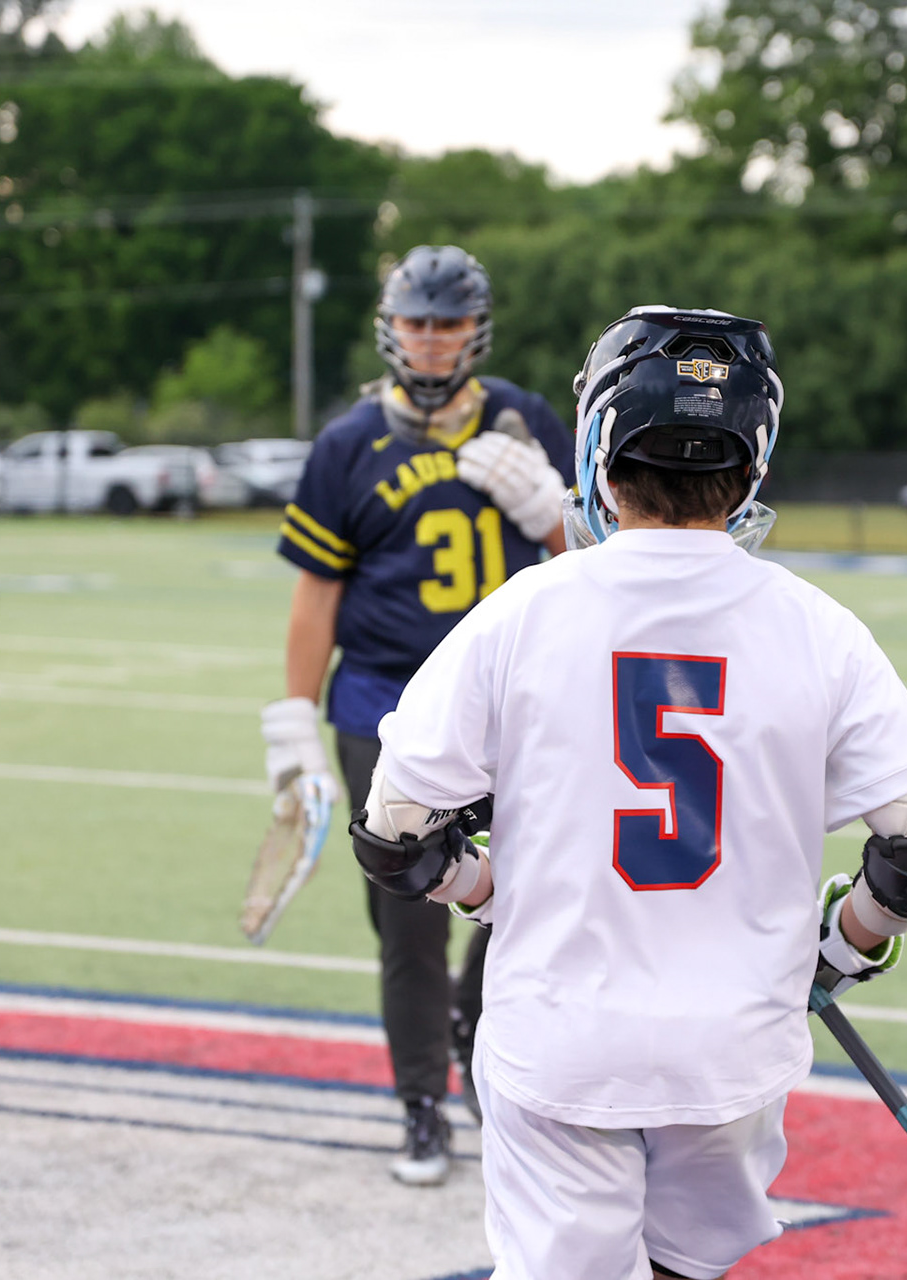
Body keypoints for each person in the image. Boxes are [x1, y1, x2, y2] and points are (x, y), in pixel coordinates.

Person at [350, 306, 907, 1278]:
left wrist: (484, 888)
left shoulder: (522, 613)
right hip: (733, 1048)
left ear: (599, 441)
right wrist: (846, 942)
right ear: (754, 453)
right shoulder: (820, 627)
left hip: (561, 1039)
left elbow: (395, 833)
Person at [262, 245, 574, 1185]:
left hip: (511, 703)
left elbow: (596, 567)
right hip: (384, 700)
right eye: (417, 322)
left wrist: (553, 506)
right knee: (407, 912)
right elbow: (317, 596)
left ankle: (477, 1038)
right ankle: (419, 1102)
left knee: (521, 896)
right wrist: (293, 721)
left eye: (447, 323)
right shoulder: (348, 442)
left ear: (472, 329)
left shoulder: (531, 421)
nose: (432, 341)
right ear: (391, 326)